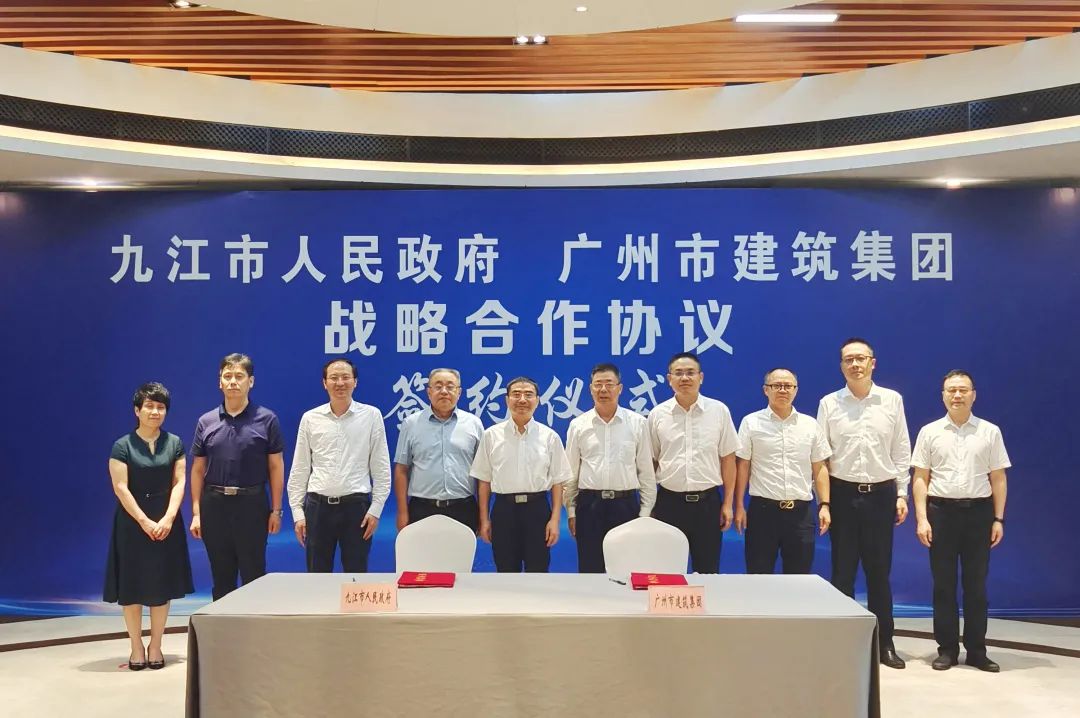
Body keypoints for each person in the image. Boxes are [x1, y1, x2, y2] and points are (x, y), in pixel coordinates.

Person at [817, 338, 911, 669]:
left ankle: (885, 643)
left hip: (881, 495)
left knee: (878, 573)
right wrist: (825, 502)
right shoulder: (829, 403)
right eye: (848, 360)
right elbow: (821, 456)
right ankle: (841, 645)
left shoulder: (891, 400)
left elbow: (901, 448)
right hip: (842, 494)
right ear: (841, 365)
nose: (855, 364)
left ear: (873, 362)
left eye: (861, 358)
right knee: (842, 573)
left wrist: (902, 493)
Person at [912, 370, 1010, 673]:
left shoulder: (990, 431)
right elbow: (920, 478)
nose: (957, 395)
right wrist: (922, 519)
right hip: (941, 513)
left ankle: (977, 651)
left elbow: (998, 477)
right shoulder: (929, 432)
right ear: (943, 395)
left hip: (979, 514)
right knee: (943, 585)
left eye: (963, 390)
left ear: (973, 395)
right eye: (951, 390)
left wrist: (998, 518)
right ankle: (947, 650)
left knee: (976, 585)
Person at [104, 382, 194, 671]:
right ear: (137, 410)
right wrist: (144, 520)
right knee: (131, 587)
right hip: (132, 523)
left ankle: (156, 645)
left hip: (166, 521)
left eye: (160, 407)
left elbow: (180, 482)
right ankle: (135, 646)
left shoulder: (175, 443)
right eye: (149, 406)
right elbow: (120, 487)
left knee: (160, 585)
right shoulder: (122, 445)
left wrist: (168, 518)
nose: (155, 412)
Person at [189, 353, 285, 600]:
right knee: (221, 576)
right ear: (219, 381)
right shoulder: (206, 421)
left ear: (250, 381)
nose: (233, 381)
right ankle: (223, 625)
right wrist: (197, 513)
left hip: (252, 505)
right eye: (227, 376)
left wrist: (276, 510)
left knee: (254, 573)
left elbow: (276, 466)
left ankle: (254, 624)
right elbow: (198, 469)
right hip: (214, 505)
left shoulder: (267, 419)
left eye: (239, 376)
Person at [287, 358, 391, 572]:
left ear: (355, 382)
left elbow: (381, 468)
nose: (340, 383)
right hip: (317, 508)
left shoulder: (371, 416)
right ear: (324, 383)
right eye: (334, 378)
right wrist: (297, 512)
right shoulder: (310, 418)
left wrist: (376, 509)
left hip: (356, 508)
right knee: (317, 574)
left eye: (346, 377)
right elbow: (300, 468)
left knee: (356, 575)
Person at [646, 352, 739, 574]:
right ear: (669, 379)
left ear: (701, 377)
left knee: (708, 572)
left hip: (707, 505)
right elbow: (651, 462)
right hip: (669, 503)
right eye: (678, 373)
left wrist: (727, 503)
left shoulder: (719, 411)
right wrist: (649, 505)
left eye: (690, 373)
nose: (685, 378)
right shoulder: (658, 414)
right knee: (666, 572)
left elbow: (728, 459)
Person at [734, 368, 832, 574]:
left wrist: (824, 505)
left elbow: (819, 467)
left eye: (788, 386)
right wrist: (739, 506)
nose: (783, 390)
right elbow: (743, 465)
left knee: (799, 579)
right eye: (776, 385)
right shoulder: (751, 422)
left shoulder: (810, 424)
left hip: (800, 514)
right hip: (763, 512)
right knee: (758, 576)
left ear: (796, 390)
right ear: (766, 390)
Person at [472, 376, 570, 572]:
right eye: (516, 394)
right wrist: (484, 519)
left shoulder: (549, 437)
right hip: (503, 511)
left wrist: (555, 520)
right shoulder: (491, 435)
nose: (522, 400)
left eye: (528, 395)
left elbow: (558, 482)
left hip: (538, 510)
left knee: (538, 570)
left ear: (538, 400)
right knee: (506, 570)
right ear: (507, 400)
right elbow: (484, 481)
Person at [564, 363, 656, 573]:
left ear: (620, 388)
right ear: (591, 388)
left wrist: (644, 513)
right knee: (590, 569)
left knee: (627, 570)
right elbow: (571, 474)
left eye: (609, 384)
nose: (603, 389)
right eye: (598, 384)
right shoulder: (578, 425)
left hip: (625, 506)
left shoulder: (637, 423)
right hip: (589, 506)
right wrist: (571, 511)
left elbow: (646, 473)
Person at [393, 368, 484, 532]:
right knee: (422, 550)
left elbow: (482, 474)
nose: (444, 391)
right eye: (438, 386)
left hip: (463, 508)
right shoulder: (411, 423)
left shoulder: (473, 424)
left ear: (459, 392)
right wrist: (402, 512)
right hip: (422, 508)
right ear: (429, 392)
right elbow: (401, 470)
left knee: (460, 550)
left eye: (450, 386)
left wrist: (483, 517)